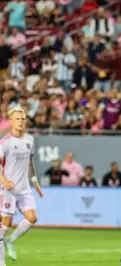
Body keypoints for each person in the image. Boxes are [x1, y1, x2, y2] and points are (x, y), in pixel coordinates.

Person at [0, 107, 44, 262]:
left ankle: (10, 241)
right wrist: (3, 180)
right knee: (5, 225)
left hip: (24, 188)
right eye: (17, 119)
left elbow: (30, 162)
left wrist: (35, 182)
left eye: (23, 119)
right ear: (11, 122)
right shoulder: (5, 142)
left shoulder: (29, 140)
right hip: (7, 189)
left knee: (32, 218)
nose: (21, 122)